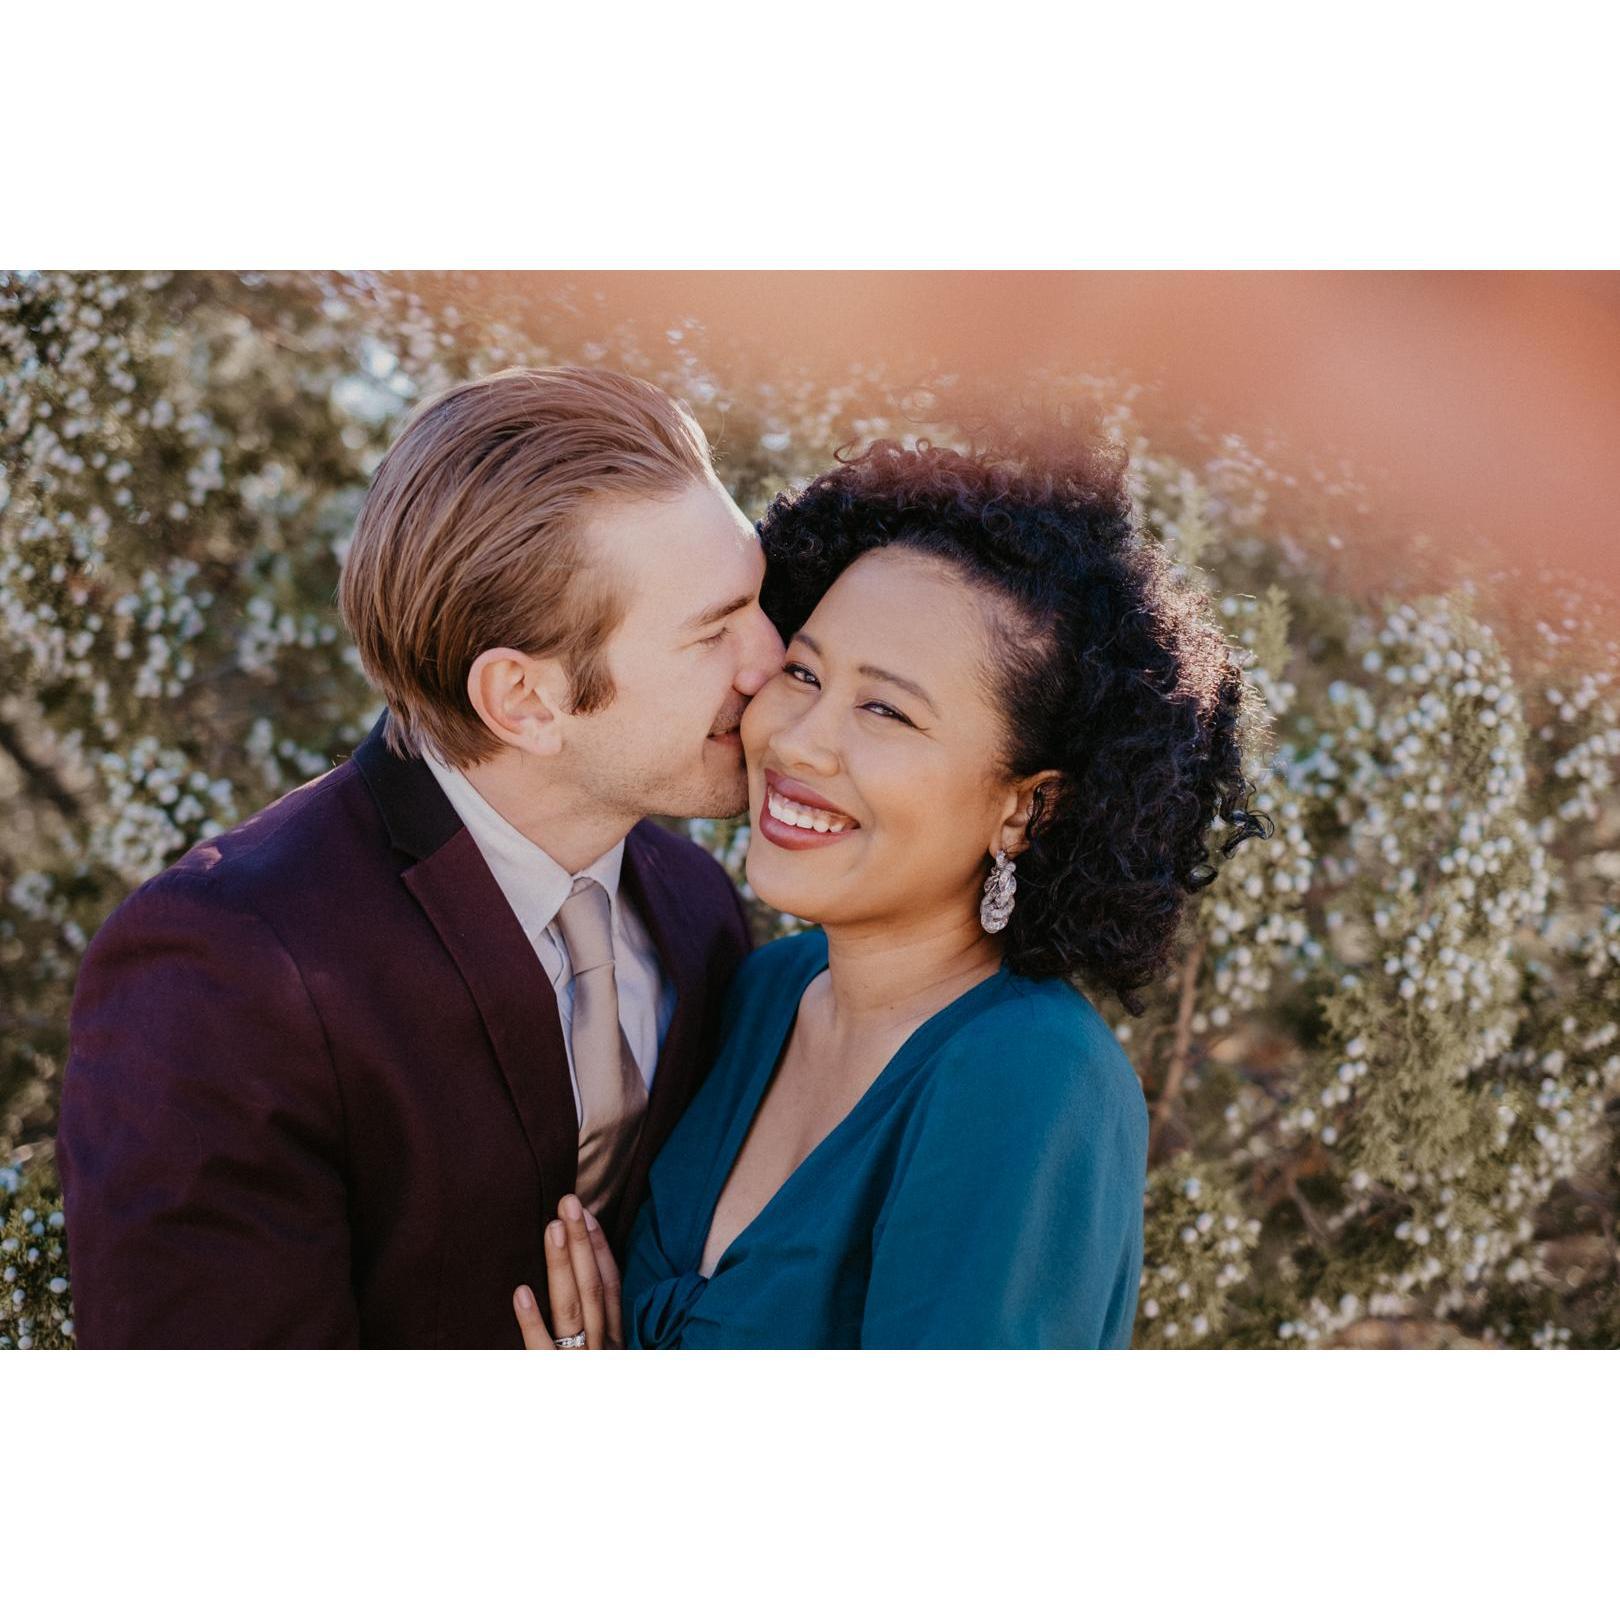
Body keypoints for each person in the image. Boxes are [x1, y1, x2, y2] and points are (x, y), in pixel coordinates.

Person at [57, 366, 784, 1347]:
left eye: (756, 598)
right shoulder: (218, 970)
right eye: (713, 632)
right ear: (524, 701)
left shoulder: (697, 908)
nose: (772, 659)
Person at [513, 432, 1272, 1350]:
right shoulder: (762, 995)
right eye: (803, 671)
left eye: (885, 709)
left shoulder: (1031, 1079)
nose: (795, 743)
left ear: (1025, 811)